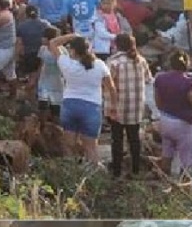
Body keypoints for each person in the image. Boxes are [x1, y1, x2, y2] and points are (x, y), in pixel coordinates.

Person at [153, 51, 192, 194]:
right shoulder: (189, 83)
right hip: (184, 125)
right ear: (187, 64)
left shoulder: (160, 79)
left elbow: (158, 102)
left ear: (171, 63)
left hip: (166, 121)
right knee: (189, 161)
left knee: (167, 154)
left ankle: (165, 185)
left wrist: (168, 112)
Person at [48, 33, 113, 166]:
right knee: (91, 148)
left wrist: (72, 35)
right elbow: (111, 88)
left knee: (69, 145)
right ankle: (93, 173)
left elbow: (53, 43)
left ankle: (70, 172)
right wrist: (113, 105)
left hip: (70, 104)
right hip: (92, 107)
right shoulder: (99, 65)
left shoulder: (67, 63)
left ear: (73, 50)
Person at [105, 32, 153, 178]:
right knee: (134, 138)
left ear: (117, 45)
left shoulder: (114, 62)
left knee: (117, 139)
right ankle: (136, 170)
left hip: (117, 107)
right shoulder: (141, 60)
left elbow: (107, 84)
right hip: (136, 106)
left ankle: (117, 171)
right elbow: (148, 79)